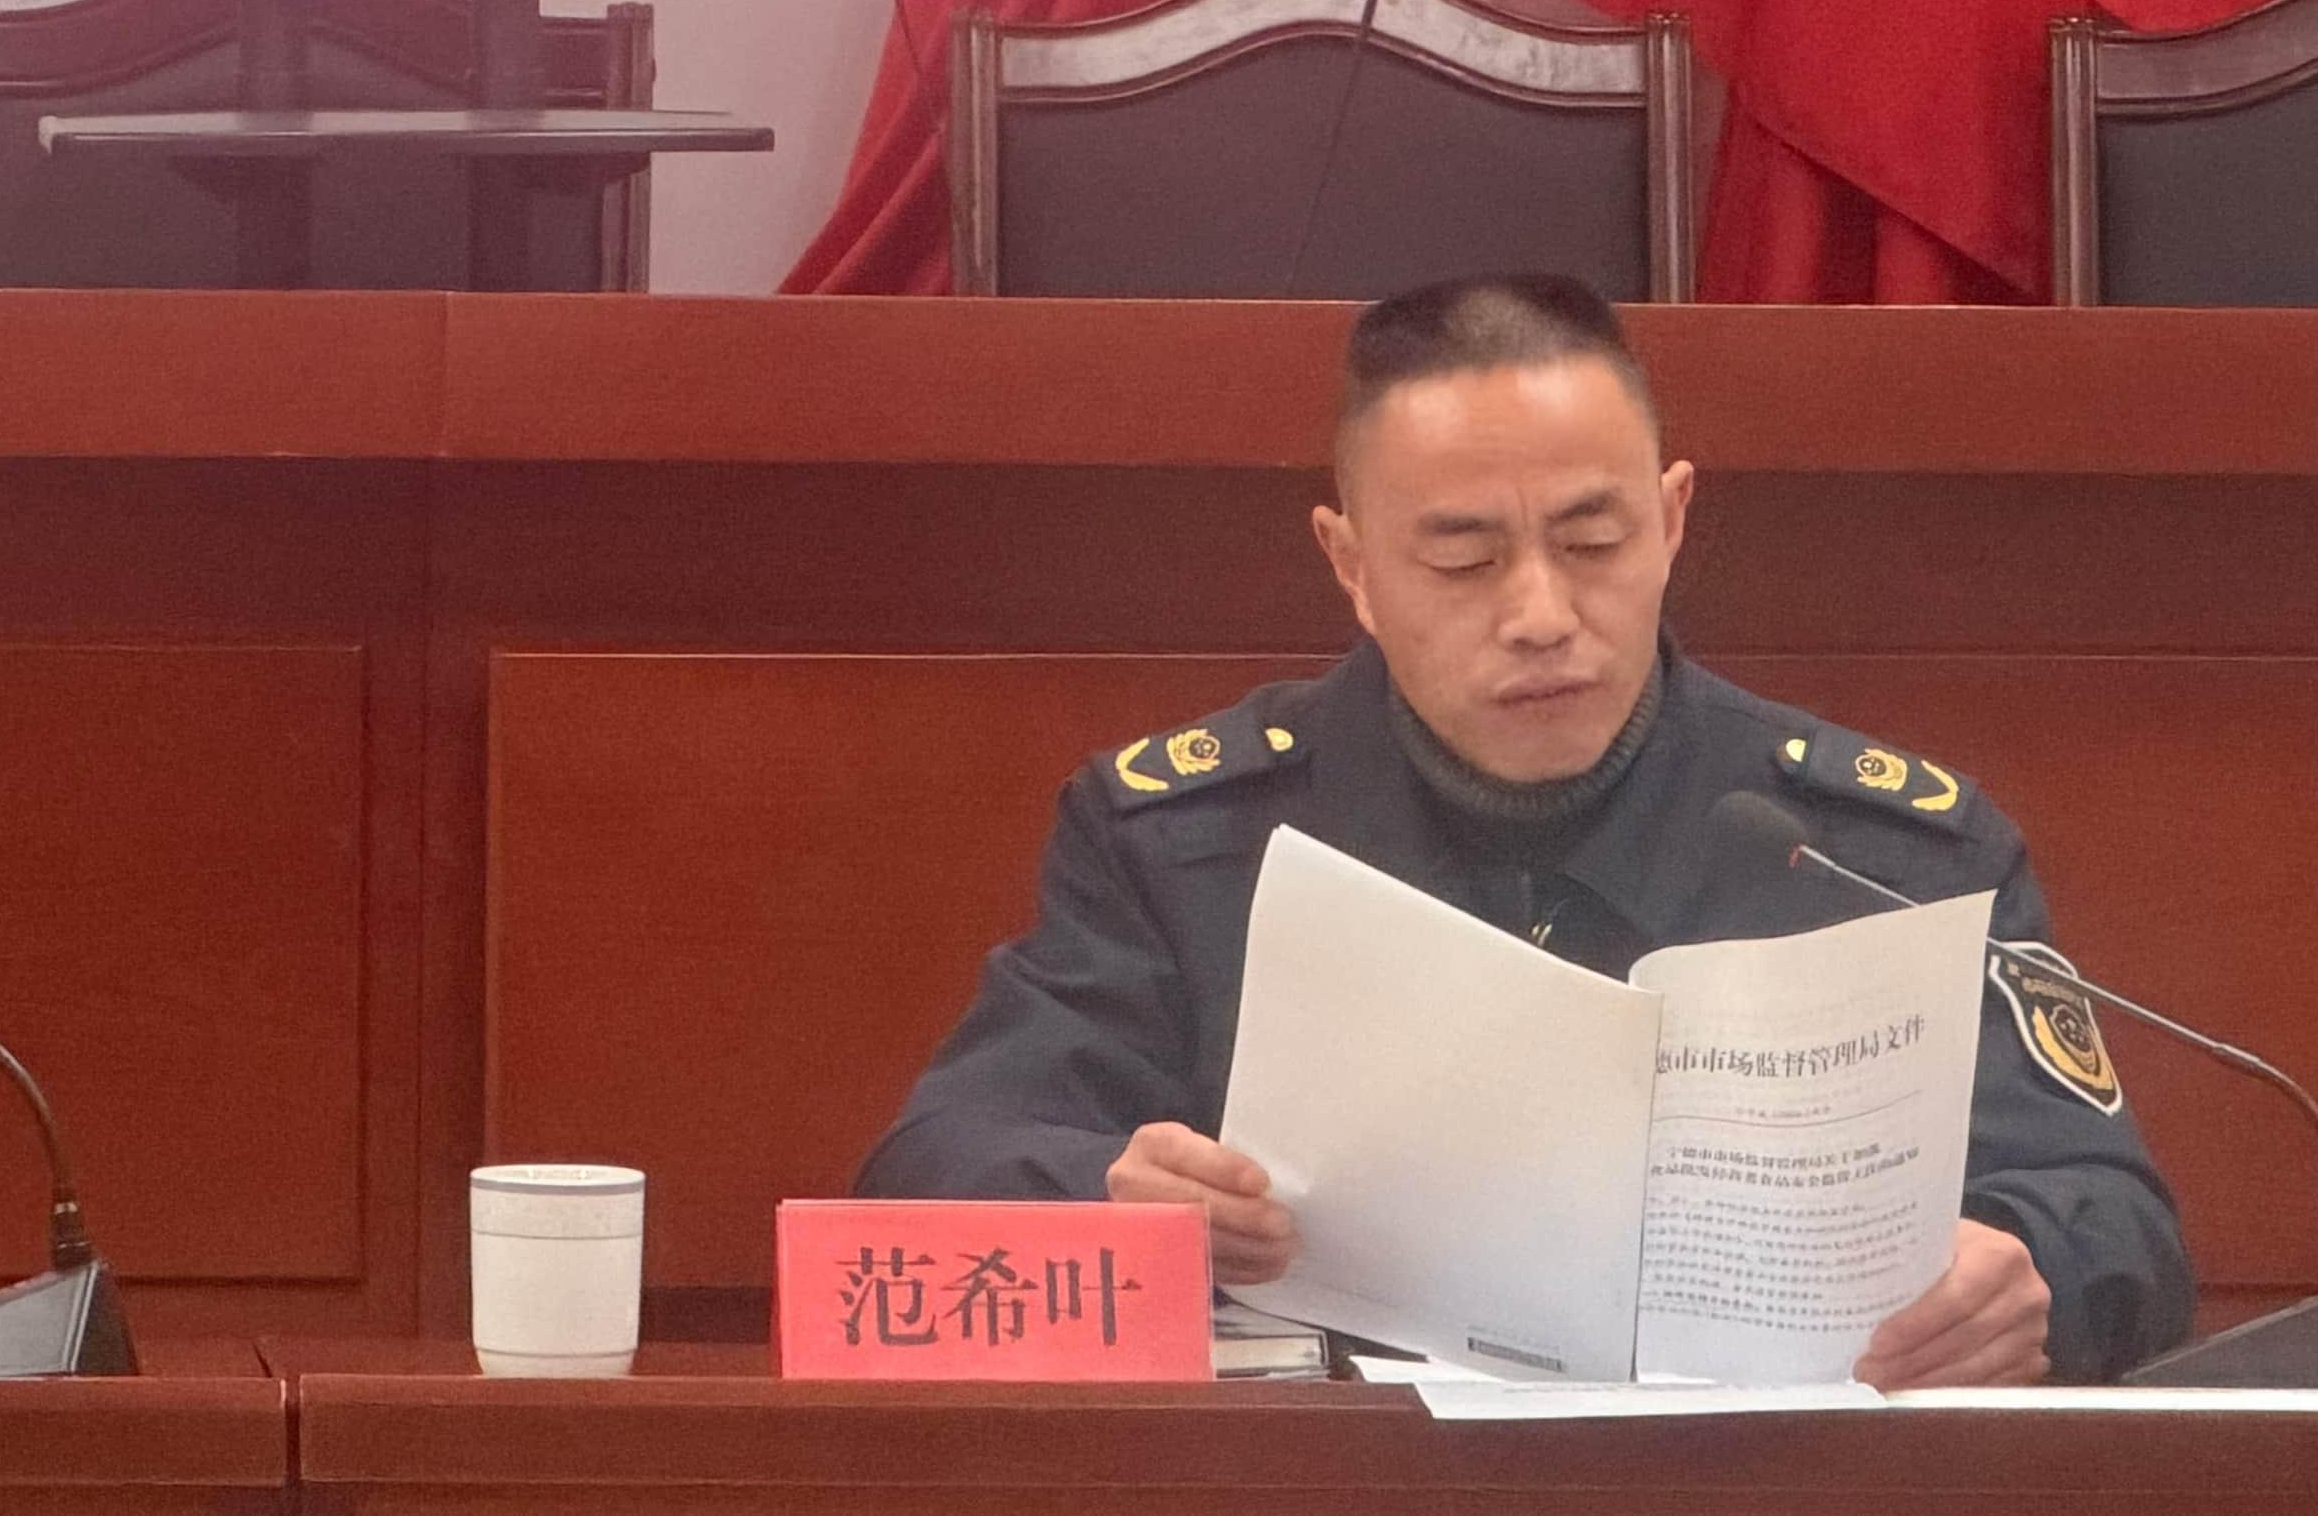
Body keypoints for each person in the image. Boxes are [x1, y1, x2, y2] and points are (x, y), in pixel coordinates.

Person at [854, 273, 2189, 1386]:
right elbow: (930, 1169)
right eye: (1463, 557)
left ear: (1671, 518)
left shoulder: (1886, 852)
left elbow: (2116, 1215)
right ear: (1352, 565)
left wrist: (2027, 1270)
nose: (1541, 613)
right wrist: (1110, 1196)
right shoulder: (1182, 838)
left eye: (1592, 539)